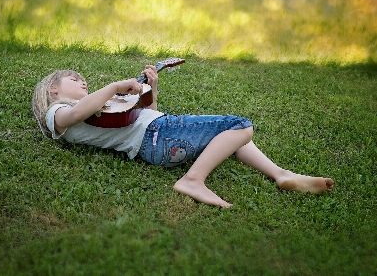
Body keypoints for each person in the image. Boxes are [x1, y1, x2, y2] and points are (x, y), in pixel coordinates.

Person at [32, 64, 334, 208]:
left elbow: (139, 114)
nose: (83, 83)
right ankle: (192, 180)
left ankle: (281, 175)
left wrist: (151, 87)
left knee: (233, 138)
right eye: (75, 80)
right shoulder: (58, 113)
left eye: (85, 81)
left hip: (157, 140)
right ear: (52, 89)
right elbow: (76, 113)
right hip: (160, 135)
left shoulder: (98, 108)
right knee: (241, 125)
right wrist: (113, 86)